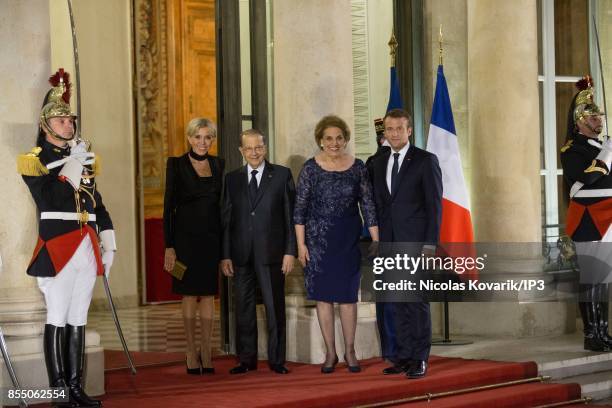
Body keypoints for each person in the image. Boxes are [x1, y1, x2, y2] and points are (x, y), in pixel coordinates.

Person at [18, 69, 116, 407]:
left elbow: (96, 204)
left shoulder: (82, 159)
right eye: (60, 122)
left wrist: (109, 241)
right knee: (57, 316)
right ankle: (59, 392)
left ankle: (75, 388)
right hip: (57, 247)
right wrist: (72, 164)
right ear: (46, 126)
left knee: (79, 318)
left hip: (85, 246)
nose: (68, 125)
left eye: (70, 120)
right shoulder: (34, 161)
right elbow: (52, 200)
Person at [294, 115, 379, 374]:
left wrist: (376, 239)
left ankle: (350, 351)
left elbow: (368, 205)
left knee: (348, 299)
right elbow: (299, 210)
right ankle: (330, 352)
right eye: (329, 138)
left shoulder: (358, 167)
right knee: (323, 299)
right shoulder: (310, 168)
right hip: (317, 243)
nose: (334, 142)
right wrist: (300, 246)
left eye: (339, 137)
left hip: (348, 241)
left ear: (346, 139)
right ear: (320, 140)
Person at [368, 108, 442, 379]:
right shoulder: (376, 162)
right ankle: (401, 356)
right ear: (384, 132)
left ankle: (420, 358)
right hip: (388, 242)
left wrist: (430, 245)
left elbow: (434, 207)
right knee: (396, 301)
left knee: (416, 302)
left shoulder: (425, 160)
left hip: (415, 244)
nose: (394, 133)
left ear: (409, 130)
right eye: (389, 129)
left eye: (399, 128)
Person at [221, 129, 296, 375]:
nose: (254, 153)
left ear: (265, 148)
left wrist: (289, 252)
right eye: (248, 148)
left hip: (273, 254)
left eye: (258, 147)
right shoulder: (231, 179)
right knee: (243, 309)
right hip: (241, 255)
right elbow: (226, 220)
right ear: (241, 151)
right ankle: (246, 359)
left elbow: (290, 217)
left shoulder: (282, 175)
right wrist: (226, 255)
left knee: (274, 308)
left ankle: (277, 360)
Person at [163, 118, 224, 374]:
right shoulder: (175, 164)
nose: (202, 142)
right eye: (198, 137)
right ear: (189, 138)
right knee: (188, 293)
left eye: (207, 137)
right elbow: (168, 207)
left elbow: (224, 206)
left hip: (212, 240)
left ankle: (207, 350)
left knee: (209, 294)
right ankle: (190, 351)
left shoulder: (219, 164)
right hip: (184, 240)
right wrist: (169, 246)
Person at [560, 76, 612, 352]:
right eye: (592, 118)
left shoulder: (601, 148)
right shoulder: (573, 149)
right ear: (579, 120)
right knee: (591, 279)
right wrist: (606, 156)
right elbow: (588, 178)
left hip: (607, 218)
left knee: (604, 279)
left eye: (599, 116)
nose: (598, 121)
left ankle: (603, 331)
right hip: (589, 218)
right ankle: (591, 334)